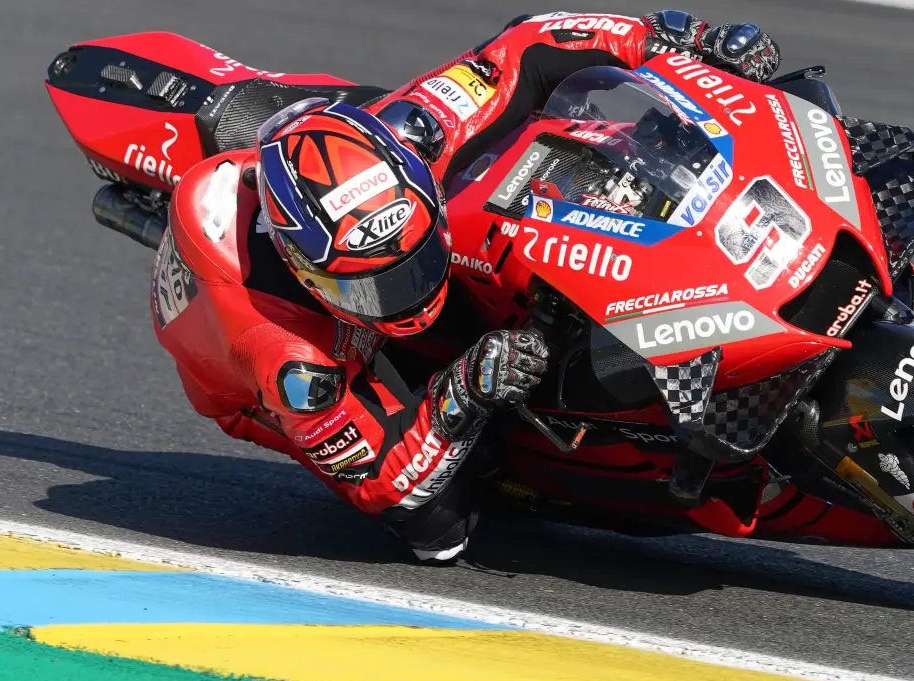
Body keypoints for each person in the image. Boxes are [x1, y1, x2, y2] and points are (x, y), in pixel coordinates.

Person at [153, 11, 781, 563]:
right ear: (309, 274)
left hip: (340, 182)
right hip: (290, 369)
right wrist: (462, 391)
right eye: (375, 288)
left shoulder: (420, 129)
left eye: (416, 261)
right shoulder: (289, 360)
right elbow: (382, 483)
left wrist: (677, 40)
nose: (410, 294)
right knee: (439, 529)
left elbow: (531, 44)